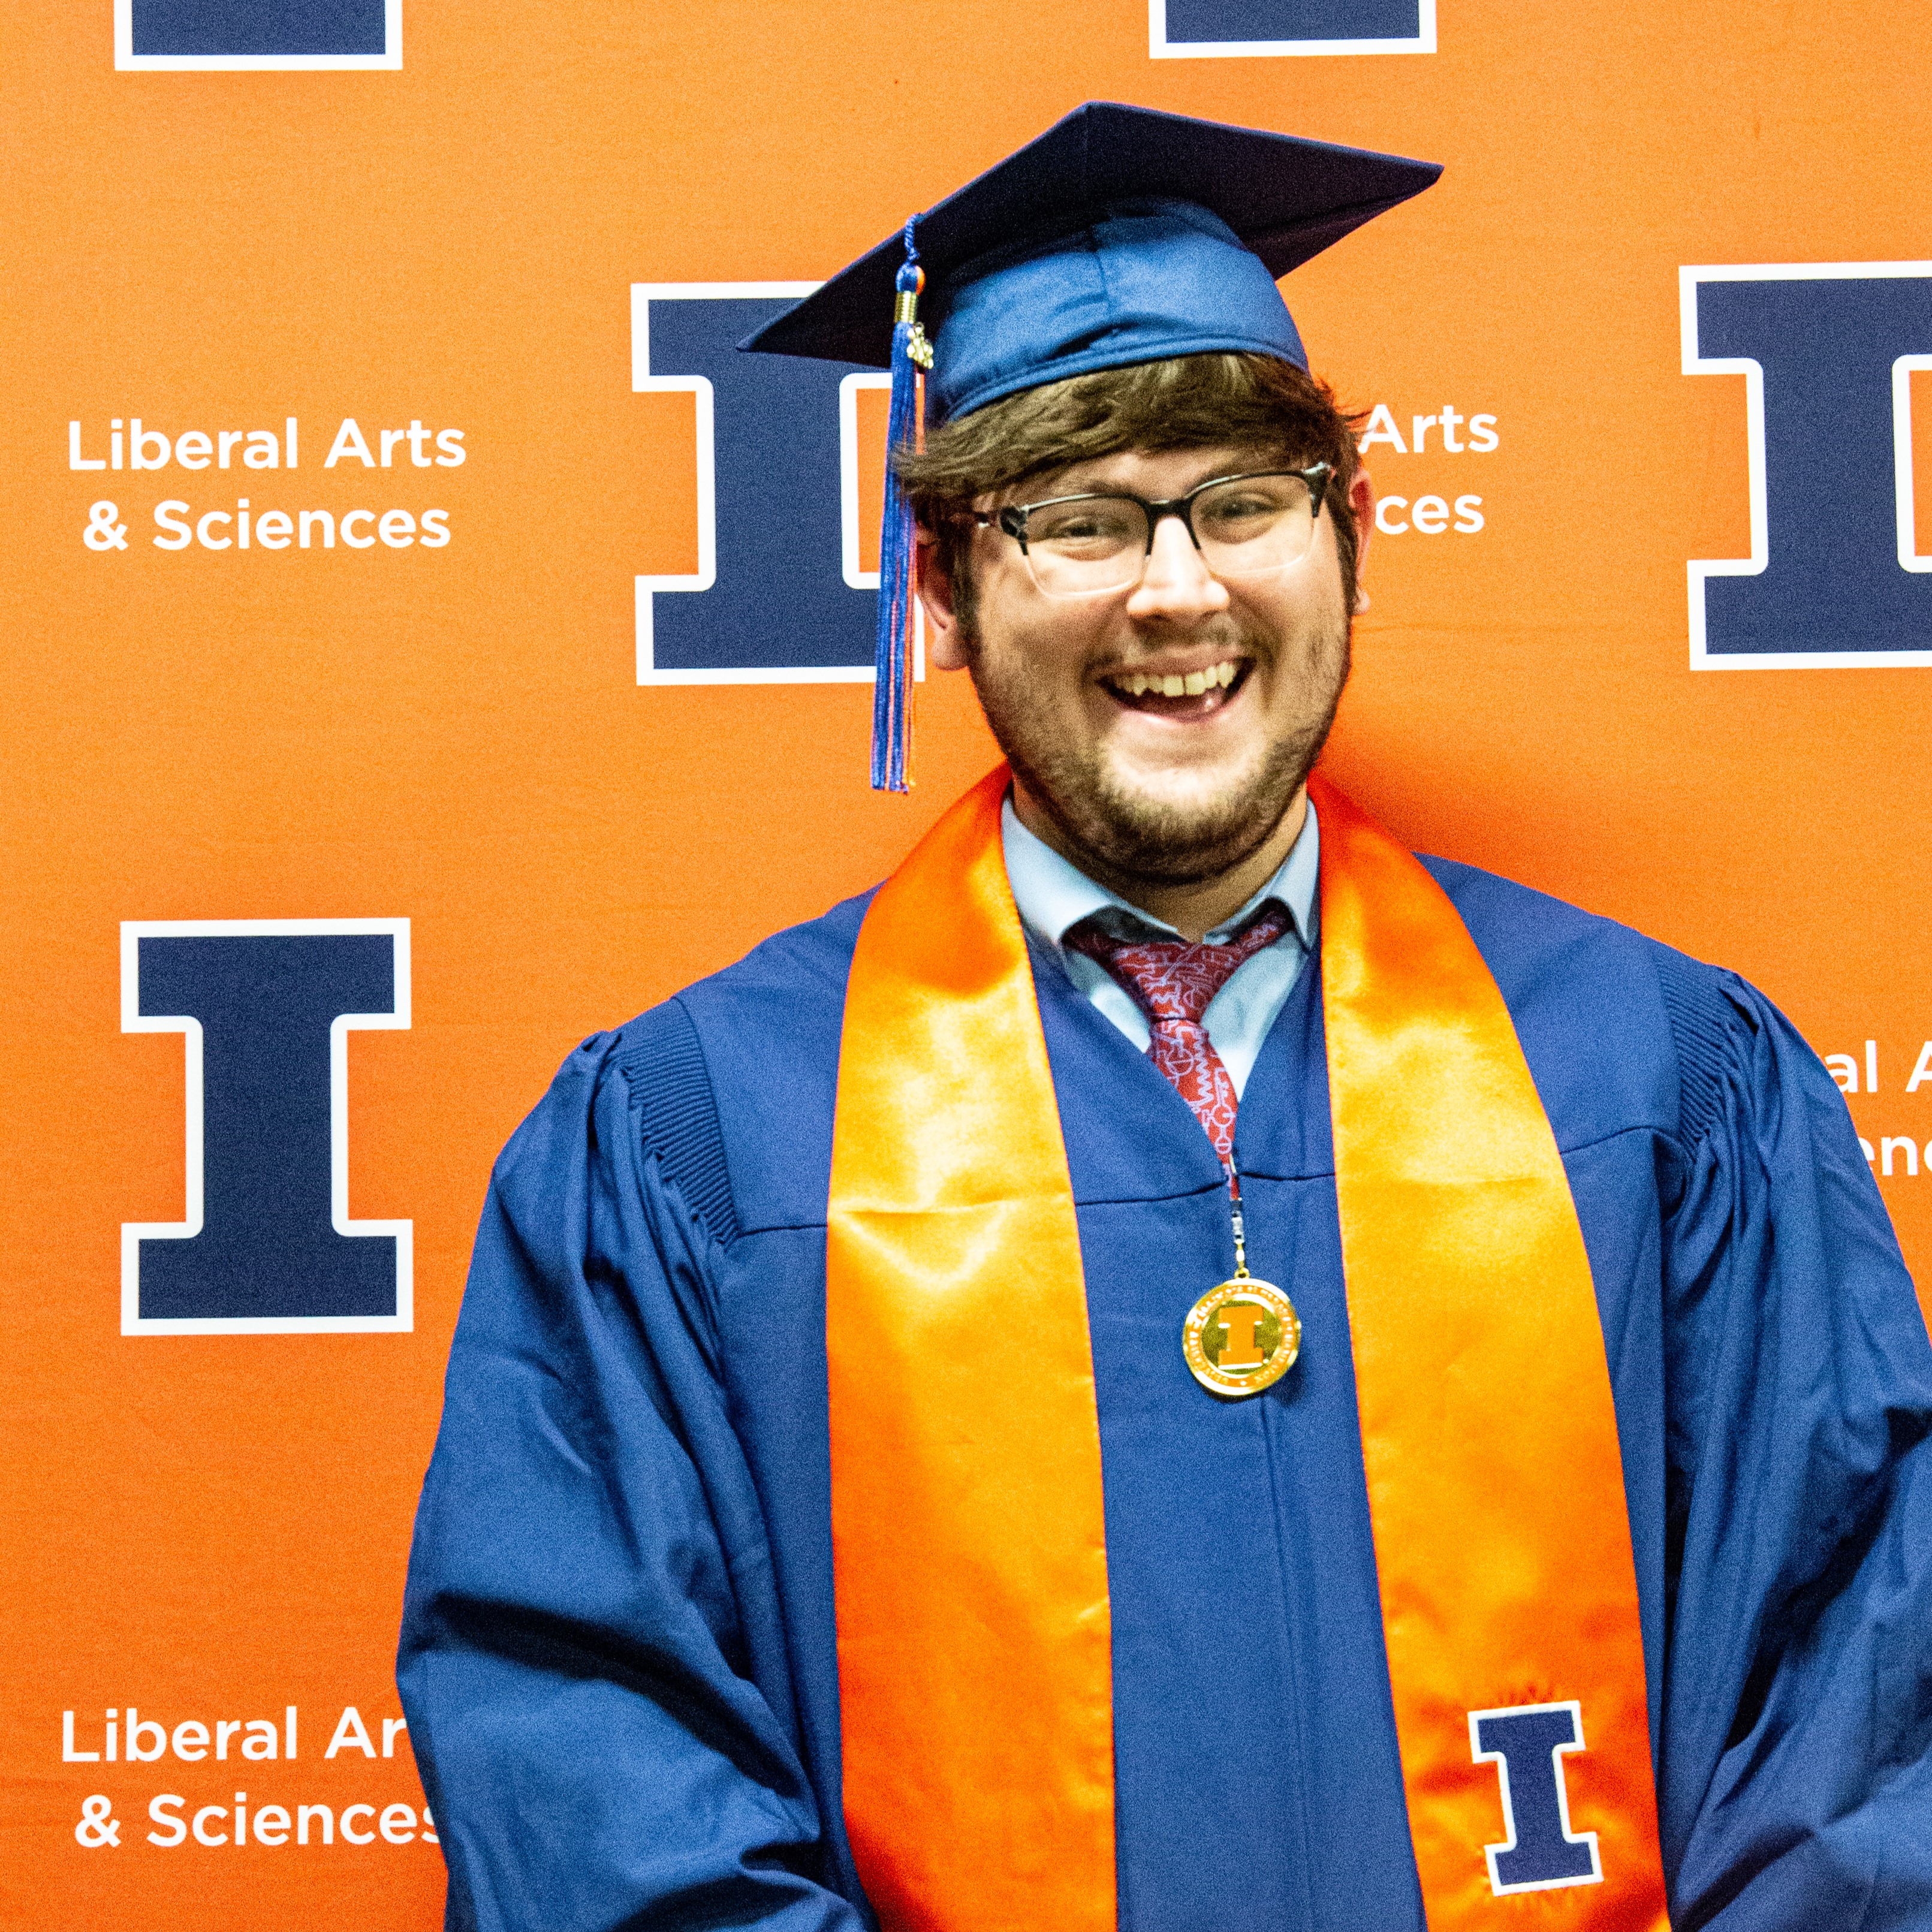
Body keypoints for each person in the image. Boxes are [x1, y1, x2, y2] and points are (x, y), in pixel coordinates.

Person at [398, 103, 1932, 1931]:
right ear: (944, 588)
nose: (1179, 586)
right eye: (1075, 516)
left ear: (1350, 537)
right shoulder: (698, 1137)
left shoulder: (1661, 1082)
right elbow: (592, 1774)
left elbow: (1854, 1739)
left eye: (1242, 499)